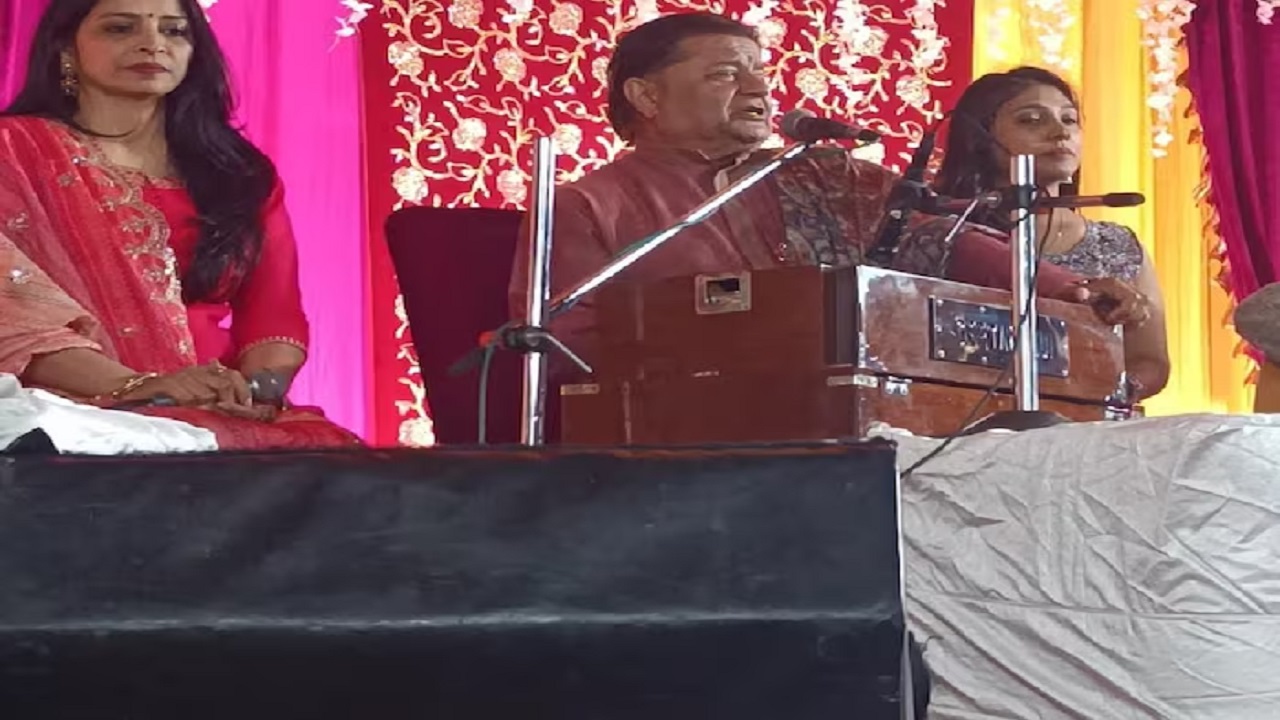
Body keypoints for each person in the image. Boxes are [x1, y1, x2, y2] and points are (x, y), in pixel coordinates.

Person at [509, 13, 1150, 376]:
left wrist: (1068, 288)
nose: (759, 90)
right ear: (646, 96)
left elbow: (940, 237)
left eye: (760, 73)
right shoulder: (588, 205)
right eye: (727, 74)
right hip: (688, 446)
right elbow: (565, 348)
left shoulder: (823, 173)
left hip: (866, 420)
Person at [0, 0, 359, 449]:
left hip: (218, 409)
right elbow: (12, 315)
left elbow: (274, 315)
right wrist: (139, 387)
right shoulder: (14, 153)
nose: (152, 44)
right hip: (73, 409)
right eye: (120, 28)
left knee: (333, 461)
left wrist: (256, 393)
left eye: (174, 31)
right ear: (65, 48)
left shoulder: (237, 174)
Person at [931, 66, 1170, 399]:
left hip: (1091, 421)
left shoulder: (1118, 244)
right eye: (1031, 120)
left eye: (1069, 120)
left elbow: (1150, 361)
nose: (1060, 132)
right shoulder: (943, 233)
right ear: (980, 141)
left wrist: (1104, 394)